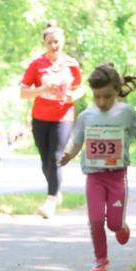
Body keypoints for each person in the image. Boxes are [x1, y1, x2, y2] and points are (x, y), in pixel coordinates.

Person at [59, 64, 136, 271]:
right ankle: (101, 259)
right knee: (96, 220)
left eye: (107, 96)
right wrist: (68, 155)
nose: (102, 102)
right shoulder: (86, 116)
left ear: (117, 91)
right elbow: (77, 141)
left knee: (114, 225)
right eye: (97, 97)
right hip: (94, 177)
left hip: (117, 177)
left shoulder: (126, 113)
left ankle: (121, 227)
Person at [20, 21, 85, 218]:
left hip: (63, 116)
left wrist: (72, 96)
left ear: (62, 42)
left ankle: (50, 201)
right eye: (50, 43)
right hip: (40, 117)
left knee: (56, 156)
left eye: (57, 42)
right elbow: (23, 93)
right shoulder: (37, 65)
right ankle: (56, 191)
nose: (54, 46)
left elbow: (81, 88)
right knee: (45, 161)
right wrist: (42, 90)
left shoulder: (71, 64)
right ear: (45, 44)